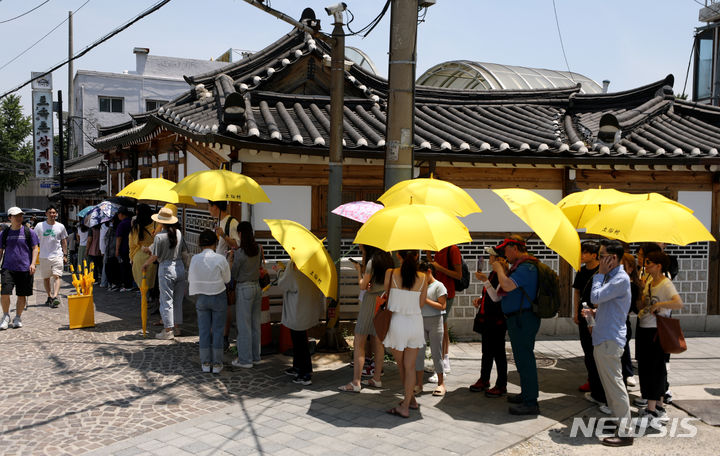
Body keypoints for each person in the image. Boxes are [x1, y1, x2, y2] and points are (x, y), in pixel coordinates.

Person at [587, 239, 634, 447]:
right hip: (604, 335)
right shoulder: (612, 277)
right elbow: (608, 305)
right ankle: (619, 422)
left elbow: (596, 296)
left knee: (615, 385)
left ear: (612, 258)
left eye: (601, 255)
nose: (599, 259)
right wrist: (595, 313)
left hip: (609, 338)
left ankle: (625, 431)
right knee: (610, 384)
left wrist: (598, 274)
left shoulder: (620, 279)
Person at [493, 235, 540, 415]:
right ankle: (527, 394)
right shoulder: (520, 266)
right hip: (518, 318)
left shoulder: (527, 267)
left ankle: (531, 402)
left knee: (525, 359)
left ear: (514, 248)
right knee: (521, 359)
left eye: (505, 249)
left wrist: (499, 269)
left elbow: (507, 285)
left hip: (523, 319)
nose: (504, 253)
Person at [636, 250, 683, 427]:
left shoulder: (665, 283)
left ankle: (652, 409)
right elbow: (643, 303)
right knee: (651, 368)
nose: (645, 265)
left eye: (649, 263)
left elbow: (678, 303)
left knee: (652, 369)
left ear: (659, 266)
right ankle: (657, 407)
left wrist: (659, 305)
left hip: (655, 331)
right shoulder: (649, 280)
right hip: (645, 327)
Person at [338, 245, 392, 392]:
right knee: (378, 340)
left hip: (370, 301)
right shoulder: (389, 260)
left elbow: (362, 286)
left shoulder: (372, 262)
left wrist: (358, 272)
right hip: (383, 300)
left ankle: (356, 382)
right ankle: (377, 379)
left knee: (359, 340)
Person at [382, 250, 427, 418]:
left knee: (402, 366)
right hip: (415, 323)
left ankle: (406, 405)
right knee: (410, 368)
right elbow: (421, 304)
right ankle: (410, 401)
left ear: (398, 255)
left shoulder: (391, 273)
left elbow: (387, 296)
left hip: (397, 323)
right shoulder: (423, 277)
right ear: (417, 256)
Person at [571, 240, 609, 413]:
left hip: (598, 315)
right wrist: (574, 311)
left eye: (585, 252)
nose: (582, 255)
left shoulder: (602, 272)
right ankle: (591, 380)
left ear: (595, 255)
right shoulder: (581, 271)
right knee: (587, 349)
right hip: (583, 313)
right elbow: (577, 291)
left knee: (597, 350)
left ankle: (600, 387)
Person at [189, 229, 231, 374]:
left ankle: (205, 362)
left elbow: (191, 278)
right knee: (218, 331)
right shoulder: (220, 259)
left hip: (201, 296)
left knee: (204, 330)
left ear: (200, 243)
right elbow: (227, 279)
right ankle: (217, 364)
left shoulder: (195, 259)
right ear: (215, 242)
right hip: (218, 295)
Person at [277, 259, 325, 386]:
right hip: (307, 305)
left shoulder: (294, 265)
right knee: (299, 338)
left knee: (300, 341)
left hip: (297, 307)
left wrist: (280, 271)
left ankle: (305, 373)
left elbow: (284, 284)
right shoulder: (312, 264)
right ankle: (297, 366)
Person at [470, 245, 508, 398]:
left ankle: (501, 384)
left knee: (499, 353)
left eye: (492, 256)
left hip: (497, 321)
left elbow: (497, 297)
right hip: (487, 319)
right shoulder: (493, 273)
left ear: (499, 259)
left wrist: (485, 281)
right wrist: (481, 299)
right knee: (486, 352)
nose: (489, 258)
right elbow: (491, 296)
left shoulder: (502, 274)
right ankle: (484, 379)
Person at [143, 207, 186, 340]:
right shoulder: (178, 233)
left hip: (166, 268)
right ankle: (177, 327)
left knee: (166, 300)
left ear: (161, 222)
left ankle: (168, 330)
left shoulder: (159, 237)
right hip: (179, 267)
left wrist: (145, 264)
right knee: (178, 300)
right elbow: (184, 251)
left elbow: (155, 256)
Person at [229, 221, 262, 368]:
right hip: (256, 287)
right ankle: (255, 356)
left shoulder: (240, 253)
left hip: (244, 288)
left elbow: (234, 274)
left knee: (244, 326)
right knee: (255, 325)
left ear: (241, 234)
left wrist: (231, 260)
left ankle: (245, 360)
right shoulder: (258, 249)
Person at [0, 207, 39, 329]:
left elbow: (35, 248)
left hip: (24, 268)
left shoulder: (29, 232)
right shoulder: (4, 233)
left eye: (20, 216)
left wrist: (33, 263)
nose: (19, 218)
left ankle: (18, 317)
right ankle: (6, 316)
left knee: (21, 295)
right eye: (16, 216)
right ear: (10, 218)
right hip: (8, 268)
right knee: (4, 293)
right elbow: (0, 250)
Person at [208, 200, 240, 351]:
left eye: (209, 206)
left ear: (215, 206)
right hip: (216, 268)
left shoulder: (231, 223)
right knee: (216, 302)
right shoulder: (219, 221)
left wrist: (224, 235)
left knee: (225, 303)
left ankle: (224, 337)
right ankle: (216, 333)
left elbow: (236, 245)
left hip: (226, 269)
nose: (208, 209)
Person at [414, 261, 447, 396]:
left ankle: (441, 384)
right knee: (419, 354)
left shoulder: (439, 286)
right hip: (420, 321)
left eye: (422, 274)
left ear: (429, 271)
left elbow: (442, 305)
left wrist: (424, 299)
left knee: (436, 353)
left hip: (435, 322)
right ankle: (419, 384)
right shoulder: (419, 285)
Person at [428, 244, 462, 374]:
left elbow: (458, 275)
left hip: (446, 293)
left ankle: (443, 361)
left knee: (439, 327)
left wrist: (439, 267)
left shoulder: (452, 249)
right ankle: (444, 358)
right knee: (442, 325)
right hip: (435, 293)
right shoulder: (437, 249)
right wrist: (429, 256)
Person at [34, 206, 68, 308]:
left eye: (54, 213)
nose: (52, 215)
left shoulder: (60, 226)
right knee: (46, 278)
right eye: (50, 213)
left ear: (56, 214)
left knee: (57, 276)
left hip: (57, 255)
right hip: (44, 256)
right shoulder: (39, 226)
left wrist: (65, 255)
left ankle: (55, 296)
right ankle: (49, 296)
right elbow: (34, 240)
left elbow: (64, 241)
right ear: (46, 214)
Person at [130, 204, 157, 301]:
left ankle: (145, 299)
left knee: (142, 281)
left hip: (139, 256)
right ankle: (153, 299)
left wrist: (131, 258)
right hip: (152, 256)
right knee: (152, 281)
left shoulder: (136, 226)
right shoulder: (155, 224)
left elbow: (132, 245)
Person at [620, 252, 639, 387]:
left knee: (623, 349)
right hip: (615, 321)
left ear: (630, 268)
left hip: (623, 322)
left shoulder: (632, 286)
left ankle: (628, 374)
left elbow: (633, 308)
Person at [115, 206, 134, 291]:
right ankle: (131, 284)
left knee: (124, 267)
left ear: (121, 214)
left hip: (124, 248)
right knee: (130, 267)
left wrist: (117, 250)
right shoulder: (132, 222)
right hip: (133, 247)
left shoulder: (121, 224)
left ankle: (127, 285)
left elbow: (119, 238)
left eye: (118, 214)